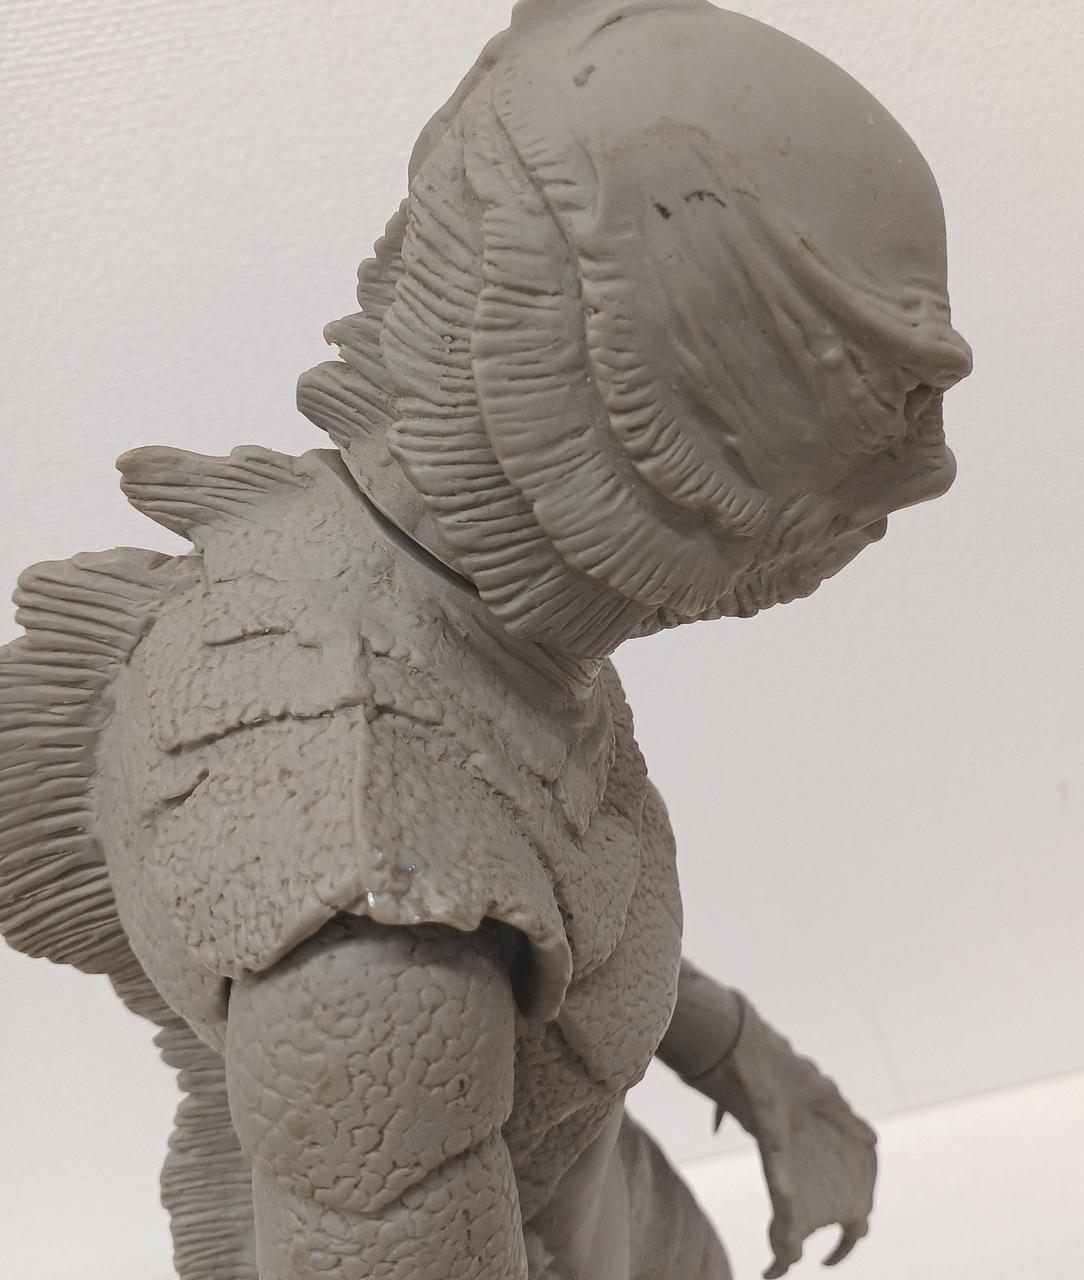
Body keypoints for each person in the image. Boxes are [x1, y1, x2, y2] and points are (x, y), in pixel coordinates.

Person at [0, 2, 971, 1276]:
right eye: (882, 404)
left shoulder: (453, 611)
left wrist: (744, 1056)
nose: (925, 474)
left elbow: (542, 906)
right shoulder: (365, 904)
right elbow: (442, 916)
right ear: (632, 412)